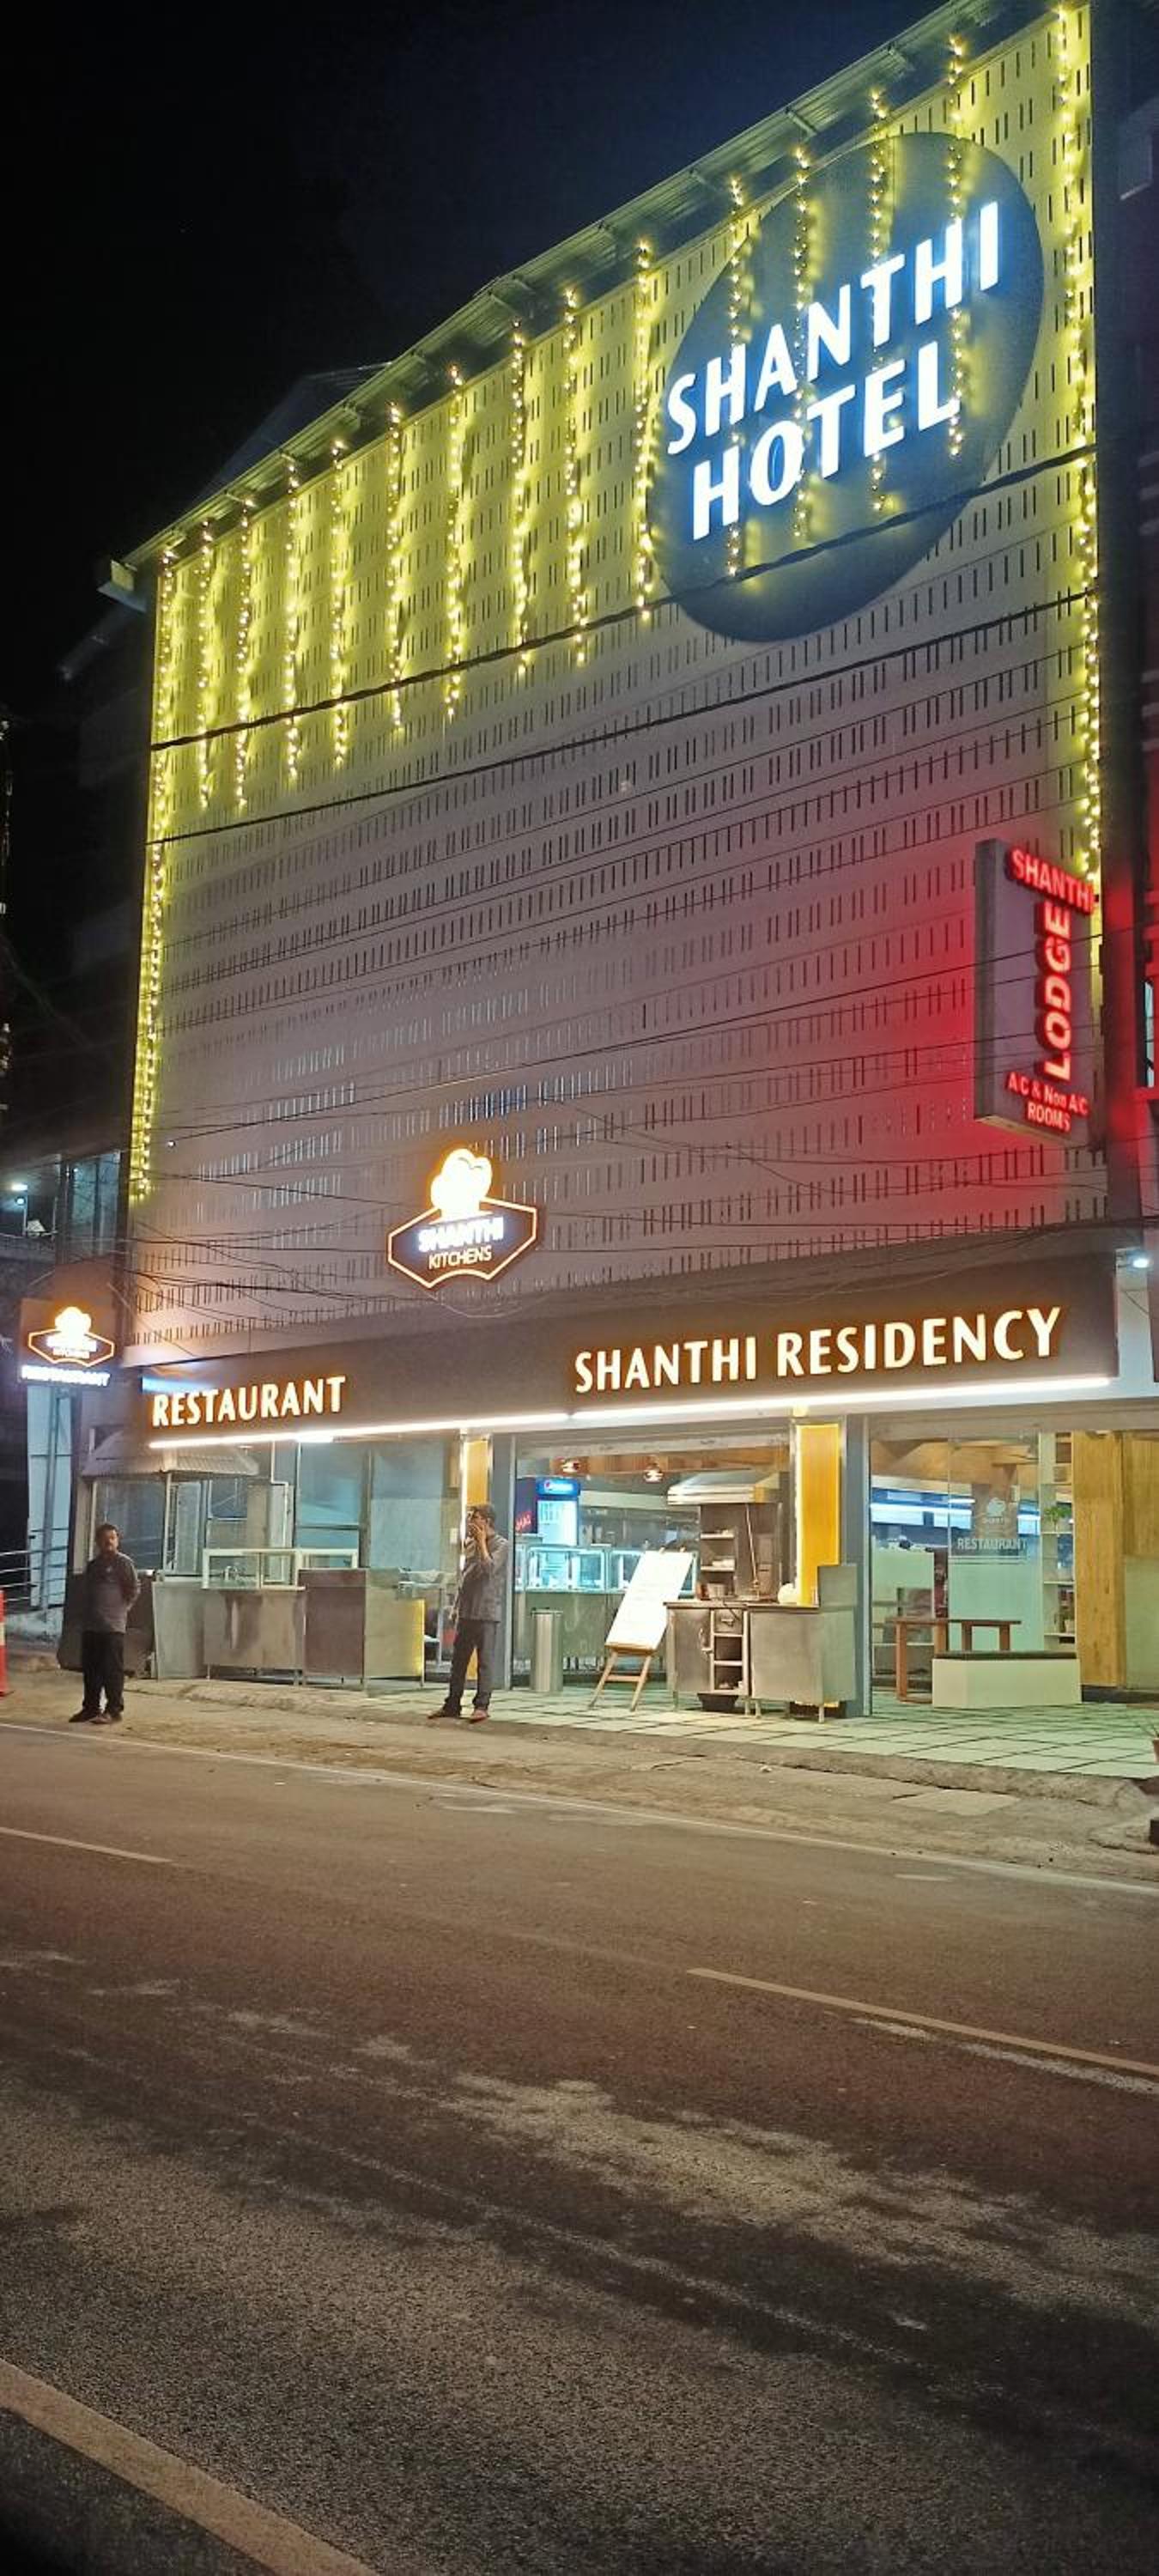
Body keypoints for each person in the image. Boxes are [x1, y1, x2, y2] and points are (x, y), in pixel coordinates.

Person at [430, 1504, 509, 1723]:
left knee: (485, 1661)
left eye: (475, 1517)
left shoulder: (502, 1545)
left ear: (487, 1521)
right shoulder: (471, 1544)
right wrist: (456, 1607)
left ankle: (482, 1706)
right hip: (467, 1611)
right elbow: (464, 1578)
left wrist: (482, 1542)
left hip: (487, 1612)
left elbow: (489, 1570)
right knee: (459, 1661)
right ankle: (452, 1704)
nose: (471, 1521)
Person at [71, 1523, 140, 1726]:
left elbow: (133, 1589)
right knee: (91, 1670)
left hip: (112, 1627)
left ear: (117, 1541)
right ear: (97, 1542)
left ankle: (114, 1710)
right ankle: (91, 1708)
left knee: (112, 1670)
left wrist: (121, 1610)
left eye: (112, 1538)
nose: (109, 1542)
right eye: (105, 1538)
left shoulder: (124, 1563)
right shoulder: (93, 1565)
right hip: (92, 1625)